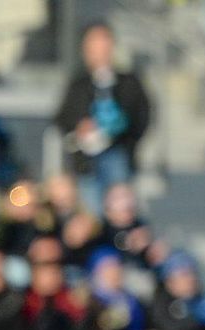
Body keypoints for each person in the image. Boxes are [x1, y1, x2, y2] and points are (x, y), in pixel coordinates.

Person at [54, 23, 151, 213]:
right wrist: (80, 128)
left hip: (118, 153)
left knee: (120, 207)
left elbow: (141, 115)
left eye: (103, 47)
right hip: (86, 161)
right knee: (91, 209)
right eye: (93, 48)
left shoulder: (128, 83)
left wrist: (121, 134)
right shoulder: (78, 84)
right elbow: (63, 117)